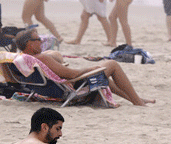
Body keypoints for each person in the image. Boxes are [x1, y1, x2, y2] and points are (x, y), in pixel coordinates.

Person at [14, 29, 154, 106]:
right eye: (38, 39)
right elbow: (71, 74)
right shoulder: (41, 58)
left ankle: (135, 98)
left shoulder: (24, 59)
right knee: (112, 65)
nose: (42, 41)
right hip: (74, 85)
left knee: (103, 75)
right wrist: (89, 69)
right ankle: (137, 102)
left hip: (52, 89)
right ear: (30, 44)